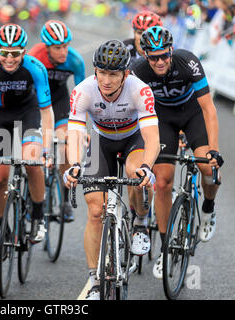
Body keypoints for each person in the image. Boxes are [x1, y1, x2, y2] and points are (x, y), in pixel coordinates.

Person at [63, 40, 160, 300]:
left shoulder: (140, 90)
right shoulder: (83, 91)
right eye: (101, 72)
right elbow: (74, 134)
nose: (106, 80)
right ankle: (95, 279)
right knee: (95, 210)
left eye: (113, 74)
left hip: (133, 140)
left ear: (125, 74)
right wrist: (73, 164)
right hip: (101, 141)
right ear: (95, 70)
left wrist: (147, 168)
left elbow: (151, 138)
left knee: (134, 172)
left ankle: (140, 222)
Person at [132, 26, 224, 280]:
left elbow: (209, 109)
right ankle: (165, 249)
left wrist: (213, 150)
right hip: (163, 119)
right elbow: (134, 111)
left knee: (208, 168)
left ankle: (208, 208)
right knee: (162, 182)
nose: (160, 61)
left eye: (164, 55)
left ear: (171, 51)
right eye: (154, 57)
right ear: (145, 55)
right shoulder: (137, 71)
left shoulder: (188, 62)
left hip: (192, 113)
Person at [0, 24, 54, 260]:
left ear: (24, 51)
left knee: (32, 162)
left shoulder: (35, 68)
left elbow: (47, 112)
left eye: (16, 53)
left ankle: (38, 216)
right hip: (0, 118)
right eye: (5, 53)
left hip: (28, 116)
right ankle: (4, 232)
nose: (10, 58)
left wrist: (47, 149)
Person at [28, 19, 85, 222]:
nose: (63, 51)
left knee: (64, 145)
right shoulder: (35, 56)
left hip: (59, 99)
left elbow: (82, 95)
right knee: (32, 148)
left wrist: (81, 127)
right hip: (36, 100)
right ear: (46, 46)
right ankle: (31, 192)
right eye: (57, 47)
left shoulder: (75, 60)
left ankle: (65, 199)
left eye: (66, 46)